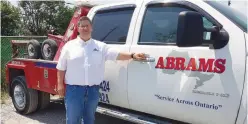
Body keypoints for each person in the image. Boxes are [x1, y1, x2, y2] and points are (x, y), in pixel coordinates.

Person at [56, 16, 147, 124]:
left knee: (89, 119)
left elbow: (116, 54)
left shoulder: (100, 46)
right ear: (78, 28)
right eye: (82, 26)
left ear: (91, 28)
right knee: (72, 120)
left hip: (93, 91)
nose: (85, 28)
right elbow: (61, 67)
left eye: (87, 26)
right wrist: (60, 85)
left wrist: (132, 55)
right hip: (74, 90)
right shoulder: (69, 46)